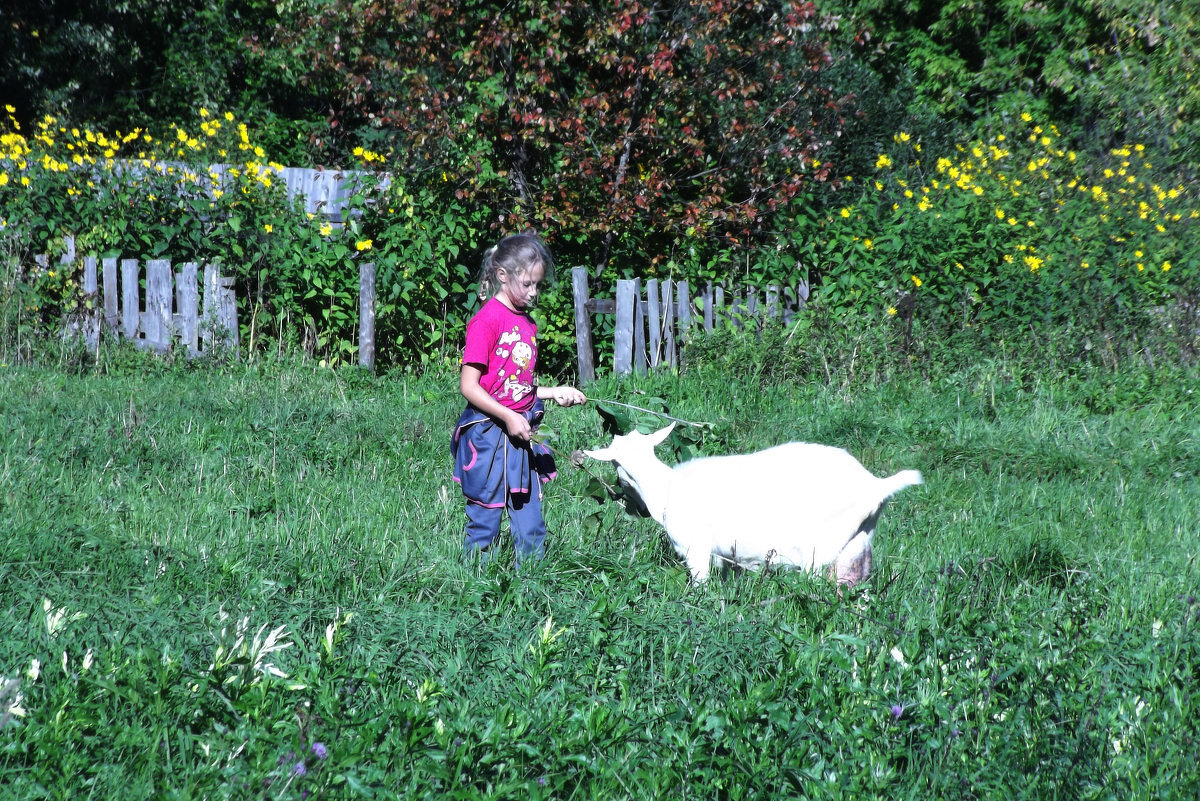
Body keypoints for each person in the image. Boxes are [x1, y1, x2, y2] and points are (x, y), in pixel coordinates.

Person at [451, 233, 586, 566]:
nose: (533, 292)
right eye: (527, 284)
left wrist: (552, 392)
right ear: (502, 276)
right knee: (485, 519)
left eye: (537, 285)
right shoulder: (486, 321)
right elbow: (469, 386)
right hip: (487, 436)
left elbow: (516, 386)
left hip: (521, 434)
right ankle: (475, 592)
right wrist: (509, 417)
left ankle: (532, 589)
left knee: (530, 520)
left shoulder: (527, 323)